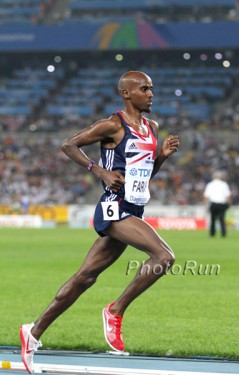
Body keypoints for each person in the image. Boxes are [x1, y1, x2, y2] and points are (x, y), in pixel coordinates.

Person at [20, 71, 180, 374]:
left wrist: (161, 158)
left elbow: (142, 177)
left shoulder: (152, 127)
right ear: (126, 93)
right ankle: (115, 310)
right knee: (164, 257)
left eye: (152, 89)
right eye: (144, 89)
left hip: (134, 208)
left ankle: (33, 331)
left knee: (85, 277)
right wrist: (99, 170)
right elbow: (69, 145)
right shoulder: (112, 125)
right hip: (114, 208)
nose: (151, 94)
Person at [204, 170, 232, 237]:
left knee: (213, 220)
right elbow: (228, 196)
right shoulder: (224, 184)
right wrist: (229, 204)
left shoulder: (210, 184)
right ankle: (223, 234)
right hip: (222, 204)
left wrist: (206, 205)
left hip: (213, 204)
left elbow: (206, 196)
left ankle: (212, 234)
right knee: (222, 220)